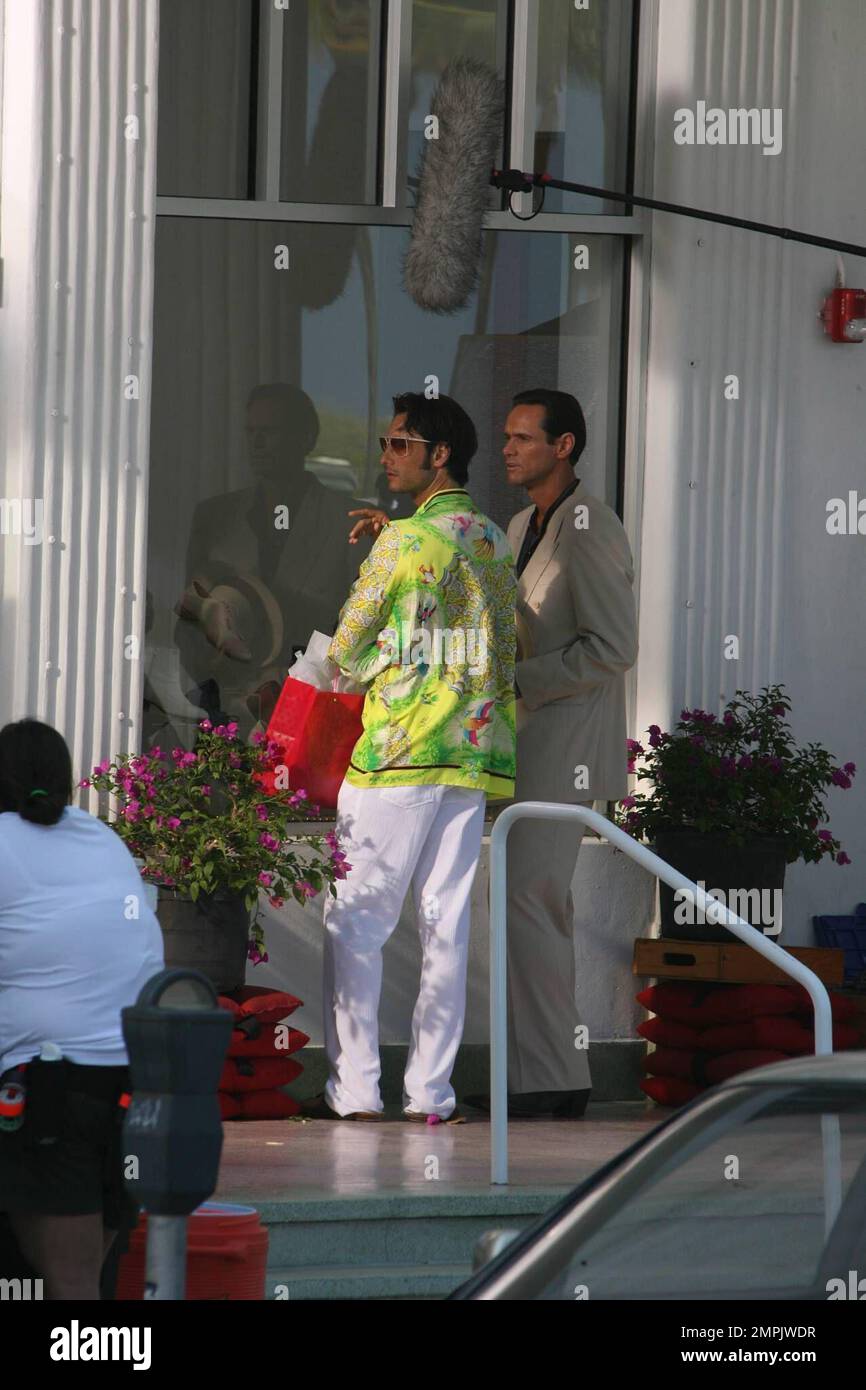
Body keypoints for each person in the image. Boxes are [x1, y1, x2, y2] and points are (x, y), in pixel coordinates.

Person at [303, 392, 516, 1123]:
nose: (387, 455)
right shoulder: (491, 537)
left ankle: (356, 1091)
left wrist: (387, 550)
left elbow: (350, 652)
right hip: (470, 757)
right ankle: (432, 1093)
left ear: (439, 454)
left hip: (395, 755)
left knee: (357, 923)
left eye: (400, 445)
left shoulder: (400, 544)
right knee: (445, 927)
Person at [466, 389, 638, 1119]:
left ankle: (549, 1080)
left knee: (533, 902)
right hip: (525, 743)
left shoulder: (591, 525)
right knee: (525, 904)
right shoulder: (517, 523)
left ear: (564, 445)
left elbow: (613, 648)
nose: (507, 448)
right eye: (505, 436)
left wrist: (517, 680)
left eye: (523, 437)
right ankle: (537, 1075)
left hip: (564, 746)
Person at [0, 719, 165, 1299]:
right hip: (133, 1089)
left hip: (48, 1091)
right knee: (89, 1276)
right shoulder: (102, 839)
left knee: (70, 1288)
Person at [174, 383, 371, 739]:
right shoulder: (215, 517)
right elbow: (189, 619)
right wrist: (214, 672)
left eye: (270, 431)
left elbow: (363, 630)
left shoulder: (349, 521)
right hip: (225, 714)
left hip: (312, 711)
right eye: (251, 432)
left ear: (306, 438)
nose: (257, 443)